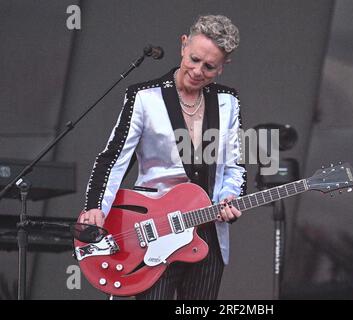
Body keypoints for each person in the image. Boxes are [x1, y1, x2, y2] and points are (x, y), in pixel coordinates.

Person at [80, 14, 247, 300]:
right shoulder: (144, 97)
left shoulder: (228, 101)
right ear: (183, 45)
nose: (197, 70)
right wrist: (96, 207)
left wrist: (231, 196)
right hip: (153, 230)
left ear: (223, 67)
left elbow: (236, 165)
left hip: (206, 232)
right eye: (194, 59)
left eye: (209, 66)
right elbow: (113, 159)